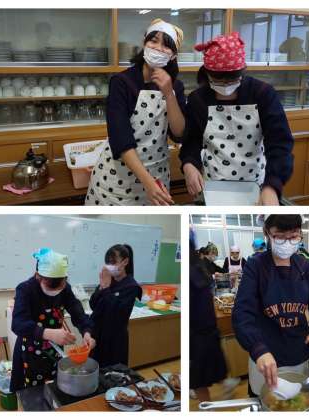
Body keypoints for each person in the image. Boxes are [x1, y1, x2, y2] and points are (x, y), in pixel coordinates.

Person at [180, 32, 294, 206]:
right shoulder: (198, 99)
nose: (226, 86)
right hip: (214, 185)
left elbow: (279, 142)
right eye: (219, 80)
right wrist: (189, 164)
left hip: (256, 184)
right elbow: (191, 140)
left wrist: (272, 185)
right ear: (207, 73)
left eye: (232, 79)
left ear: (242, 71)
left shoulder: (262, 94)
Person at [86, 19, 186, 206]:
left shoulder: (175, 86)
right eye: (154, 41)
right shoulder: (122, 82)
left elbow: (178, 133)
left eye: (166, 46)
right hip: (117, 181)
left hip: (157, 175)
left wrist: (169, 94)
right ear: (144, 43)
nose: (158, 48)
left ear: (173, 55)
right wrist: (147, 182)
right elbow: (120, 138)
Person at [232, 215, 309, 396]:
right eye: (279, 236)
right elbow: (242, 313)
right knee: (264, 400)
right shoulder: (256, 266)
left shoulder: (306, 267)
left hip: (298, 352)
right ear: (266, 233)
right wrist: (257, 348)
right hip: (265, 356)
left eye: (293, 236)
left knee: (297, 399)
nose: (287, 243)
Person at [10, 248, 95, 392]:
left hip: (54, 350)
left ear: (65, 279)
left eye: (60, 285)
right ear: (38, 276)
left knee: (54, 389)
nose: (55, 291)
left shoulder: (65, 289)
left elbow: (78, 313)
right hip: (29, 351)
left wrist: (87, 332)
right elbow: (18, 323)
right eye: (50, 286)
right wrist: (48, 333)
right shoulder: (25, 289)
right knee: (31, 394)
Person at [190, 230, 238, 402]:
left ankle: (205, 402)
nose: (235, 255)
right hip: (207, 325)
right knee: (212, 364)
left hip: (200, 328)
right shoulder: (199, 266)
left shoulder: (194, 268)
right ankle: (226, 383)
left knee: (200, 377)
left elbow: (221, 271)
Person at [90, 244, 142, 367]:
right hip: (98, 335)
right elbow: (93, 304)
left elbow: (118, 313)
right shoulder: (108, 280)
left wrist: (106, 289)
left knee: (113, 373)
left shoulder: (131, 286)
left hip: (114, 340)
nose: (110, 266)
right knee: (94, 369)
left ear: (125, 262)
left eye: (113, 262)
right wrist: (101, 287)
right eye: (108, 262)